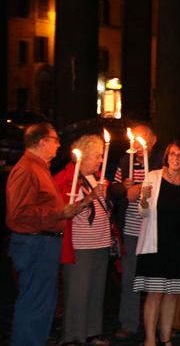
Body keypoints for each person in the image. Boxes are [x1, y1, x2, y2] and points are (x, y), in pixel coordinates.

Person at [6, 123, 84, 345]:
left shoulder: (40, 167)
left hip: (43, 244)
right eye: (55, 140)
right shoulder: (27, 169)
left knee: (43, 303)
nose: (59, 145)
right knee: (34, 303)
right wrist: (59, 213)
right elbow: (18, 213)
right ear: (42, 142)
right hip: (34, 244)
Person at [135, 141, 180, 346]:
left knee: (172, 294)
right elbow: (143, 213)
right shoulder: (153, 177)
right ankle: (149, 339)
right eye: (172, 154)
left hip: (178, 246)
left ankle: (166, 338)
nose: (175, 158)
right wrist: (143, 201)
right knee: (155, 294)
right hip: (155, 244)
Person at [55, 135, 111, 345]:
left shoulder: (96, 177)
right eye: (96, 157)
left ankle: (92, 332)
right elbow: (65, 210)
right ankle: (71, 336)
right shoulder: (67, 177)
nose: (100, 161)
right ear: (83, 157)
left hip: (100, 241)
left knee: (97, 288)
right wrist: (89, 198)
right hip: (79, 243)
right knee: (77, 290)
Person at [109, 124, 162, 341]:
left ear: (153, 140)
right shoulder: (125, 162)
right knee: (130, 276)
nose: (138, 145)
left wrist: (139, 187)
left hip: (154, 228)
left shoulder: (161, 161)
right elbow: (113, 190)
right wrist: (123, 187)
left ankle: (158, 324)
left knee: (156, 278)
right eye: (135, 141)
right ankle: (129, 322)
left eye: (143, 140)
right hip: (131, 228)